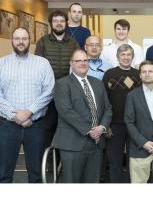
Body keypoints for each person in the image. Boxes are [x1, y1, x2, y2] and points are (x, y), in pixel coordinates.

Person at [0, 27, 55, 183]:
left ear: (30, 40)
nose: (21, 42)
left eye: (24, 38)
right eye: (17, 38)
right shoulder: (1, 63)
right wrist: (15, 115)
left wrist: (29, 112)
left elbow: (49, 91)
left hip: (35, 126)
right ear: (12, 40)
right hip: (7, 126)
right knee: (3, 174)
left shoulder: (42, 63)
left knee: (36, 174)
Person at [53, 50, 112, 183]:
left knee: (93, 183)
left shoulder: (97, 83)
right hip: (73, 144)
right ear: (71, 64)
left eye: (85, 60)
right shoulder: (62, 84)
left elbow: (108, 108)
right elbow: (66, 111)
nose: (83, 63)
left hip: (96, 144)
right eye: (78, 61)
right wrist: (90, 130)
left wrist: (101, 128)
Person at [35, 10, 79, 149]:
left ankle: (63, 165)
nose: (59, 24)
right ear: (51, 24)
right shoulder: (43, 41)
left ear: (66, 23)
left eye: (61, 21)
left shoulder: (73, 43)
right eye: (55, 21)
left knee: (66, 128)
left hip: (67, 93)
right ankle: (49, 165)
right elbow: (38, 67)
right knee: (48, 128)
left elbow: (78, 66)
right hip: (48, 93)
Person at [102, 44, 141, 183]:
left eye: (128, 54)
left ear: (133, 57)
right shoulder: (109, 74)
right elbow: (103, 101)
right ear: (118, 57)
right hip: (114, 126)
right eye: (123, 55)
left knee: (135, 162)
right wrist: (106, 125)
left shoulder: (139, 75)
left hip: (135, 125)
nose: (126, 57)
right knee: (115, 162)